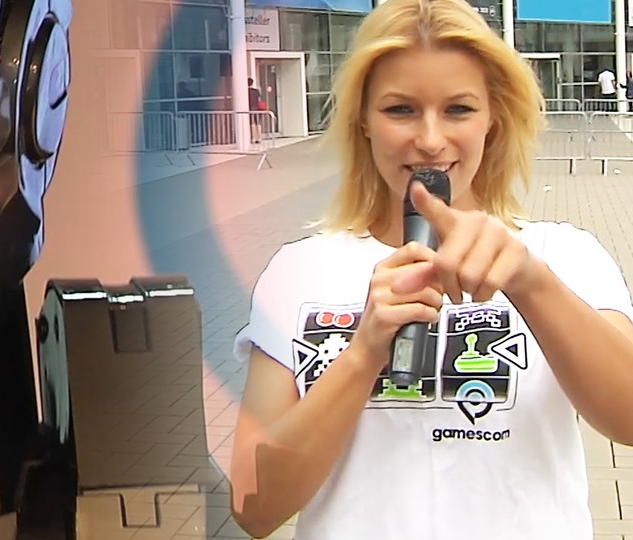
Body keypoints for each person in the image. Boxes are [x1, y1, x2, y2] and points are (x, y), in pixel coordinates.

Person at [228, 1, 633, 539]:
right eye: (400, 110)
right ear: (362, 121)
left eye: (459, 109)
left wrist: (531, 284)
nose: (430, 139)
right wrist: (363, 354)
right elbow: (254, 506)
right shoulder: (298, 271)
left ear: (493, 118)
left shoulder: (565, 255)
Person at [248, 77, 263, 143]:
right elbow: (259, 99)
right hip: (257, 108)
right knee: (258, 123)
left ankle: (253, 138)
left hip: (250, 109)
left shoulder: (246, 92)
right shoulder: (256, 91)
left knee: (252, 123)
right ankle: (259, 138)